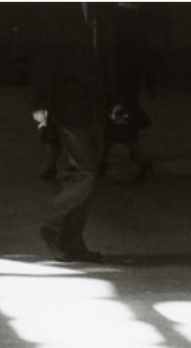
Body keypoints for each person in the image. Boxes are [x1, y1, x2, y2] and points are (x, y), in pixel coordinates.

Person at [31, 2, 124, 263]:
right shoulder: (57, 8)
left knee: (86, 177)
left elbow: (108, 59)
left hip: (95, 106)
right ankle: (53, 228)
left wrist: (114, 101)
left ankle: (73, 241)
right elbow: (45, 55)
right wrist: (40, 103)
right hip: (68, 105)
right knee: (86, 172)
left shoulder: (101, 9)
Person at [99, 2, 154, 181]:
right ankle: (105, 161)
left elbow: (113, 51)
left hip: (121, 77)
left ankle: (106, 161)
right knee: (118, 122)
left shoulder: (118, 19)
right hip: (125, 77)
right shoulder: (135, 18)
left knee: (118, 121)